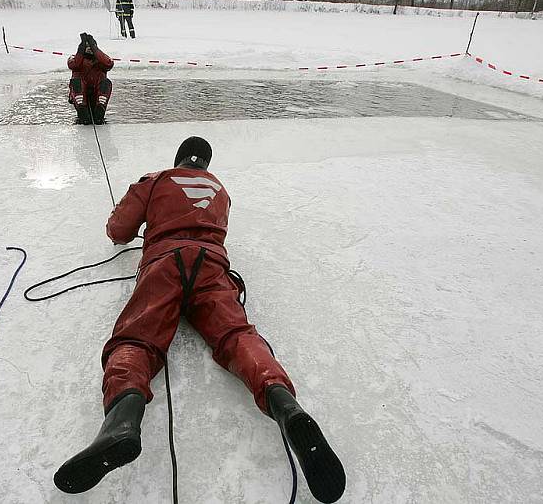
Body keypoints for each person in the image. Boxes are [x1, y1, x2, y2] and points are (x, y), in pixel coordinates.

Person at [54, 137, 346, 503]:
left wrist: (125, 229)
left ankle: (121, 422)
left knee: (136, 337)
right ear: (205, 166)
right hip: (211, 267)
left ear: (178, 160)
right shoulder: (221, 191)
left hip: (164, 263)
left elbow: (120, 230)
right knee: (236, 334)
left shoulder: (156, 179)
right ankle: (285, 405)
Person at [67, 32, 114, 125]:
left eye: (91, 47)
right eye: (87, 47)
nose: (89, 50)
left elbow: (109, 64)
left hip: (96, 92)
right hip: (81, 92)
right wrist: (81, 48)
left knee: (106, 82)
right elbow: (74, 65)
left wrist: (95, 49)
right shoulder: (75, 58)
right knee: (76, 82)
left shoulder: (101, 60)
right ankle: (82, 108)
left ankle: (100, 107)